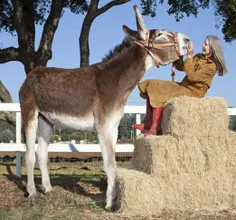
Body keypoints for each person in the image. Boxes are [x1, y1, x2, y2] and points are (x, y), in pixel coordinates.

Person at [133, 35, 227, 135]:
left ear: (212, 48)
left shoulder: (211, 66)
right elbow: (181, 67)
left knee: (161, 90)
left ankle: (156, 127)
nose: (202, 45)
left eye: (206, 44)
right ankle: (148, 122)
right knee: (152, 84)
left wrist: (190, 56)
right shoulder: (199, 57)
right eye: (204, 43)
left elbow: (191, 77)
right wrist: (179, 54)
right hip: (183, 86)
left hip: (194, 92)